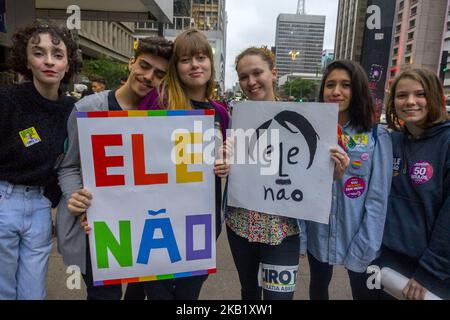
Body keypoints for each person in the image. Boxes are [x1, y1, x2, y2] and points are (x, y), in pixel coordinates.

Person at [224, 47, 349, 300]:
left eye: (257, 72)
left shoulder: (308, 119)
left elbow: (319, 177)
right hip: (240, 226)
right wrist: (223, 160)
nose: (251, 82)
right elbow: (228, 167)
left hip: (283, 232)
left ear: (273, 73)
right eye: (243, 77)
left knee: (278, 298)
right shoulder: (235, 118)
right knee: (249, 292)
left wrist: (335, 172)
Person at [56, 36, 173, 300]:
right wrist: (76, 198)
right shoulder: (88, 108)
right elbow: (69, 166)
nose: (148, 76)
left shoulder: (161, 114)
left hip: (145, 231)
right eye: (144, 66)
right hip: (98, 229)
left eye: (158, 73)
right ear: (131, 62)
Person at [134, 28, 230, 300]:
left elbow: (228, 156)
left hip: (201, 222)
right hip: (156, 221)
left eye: (201, 57)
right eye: (186, 59)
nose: (195, 65)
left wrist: (226, 162)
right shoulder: (157, 100)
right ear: (176, 66)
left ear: (211, 63)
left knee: (188, 298)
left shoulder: (220, 113)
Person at [0, 22, 82, 299]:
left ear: (68, 64)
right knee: (3, 290)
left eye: (58, 55)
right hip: (4, 201)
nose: (49, 61)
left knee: (33, 292)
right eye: (39, 52)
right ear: (26, 59)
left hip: (41, 207)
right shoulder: (6, 101)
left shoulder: (73, 110)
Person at [303, 60, 393, 300]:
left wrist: (367, 241)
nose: (336, 92)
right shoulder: (310, 132)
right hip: (318, 233)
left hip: (358, 234)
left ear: (358, 90)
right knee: (318, 286)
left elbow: (378, 197)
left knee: (363, 293)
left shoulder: (376, 134)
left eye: (345, 85)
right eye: (330, 85)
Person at [375, 67, 450, 300]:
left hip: (431, 272)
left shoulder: (446, 142)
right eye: (401, 95)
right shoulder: (391, 141)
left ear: (435, 97)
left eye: (420, 94)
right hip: (387, 263)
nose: (410, 102)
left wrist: (430, 271)